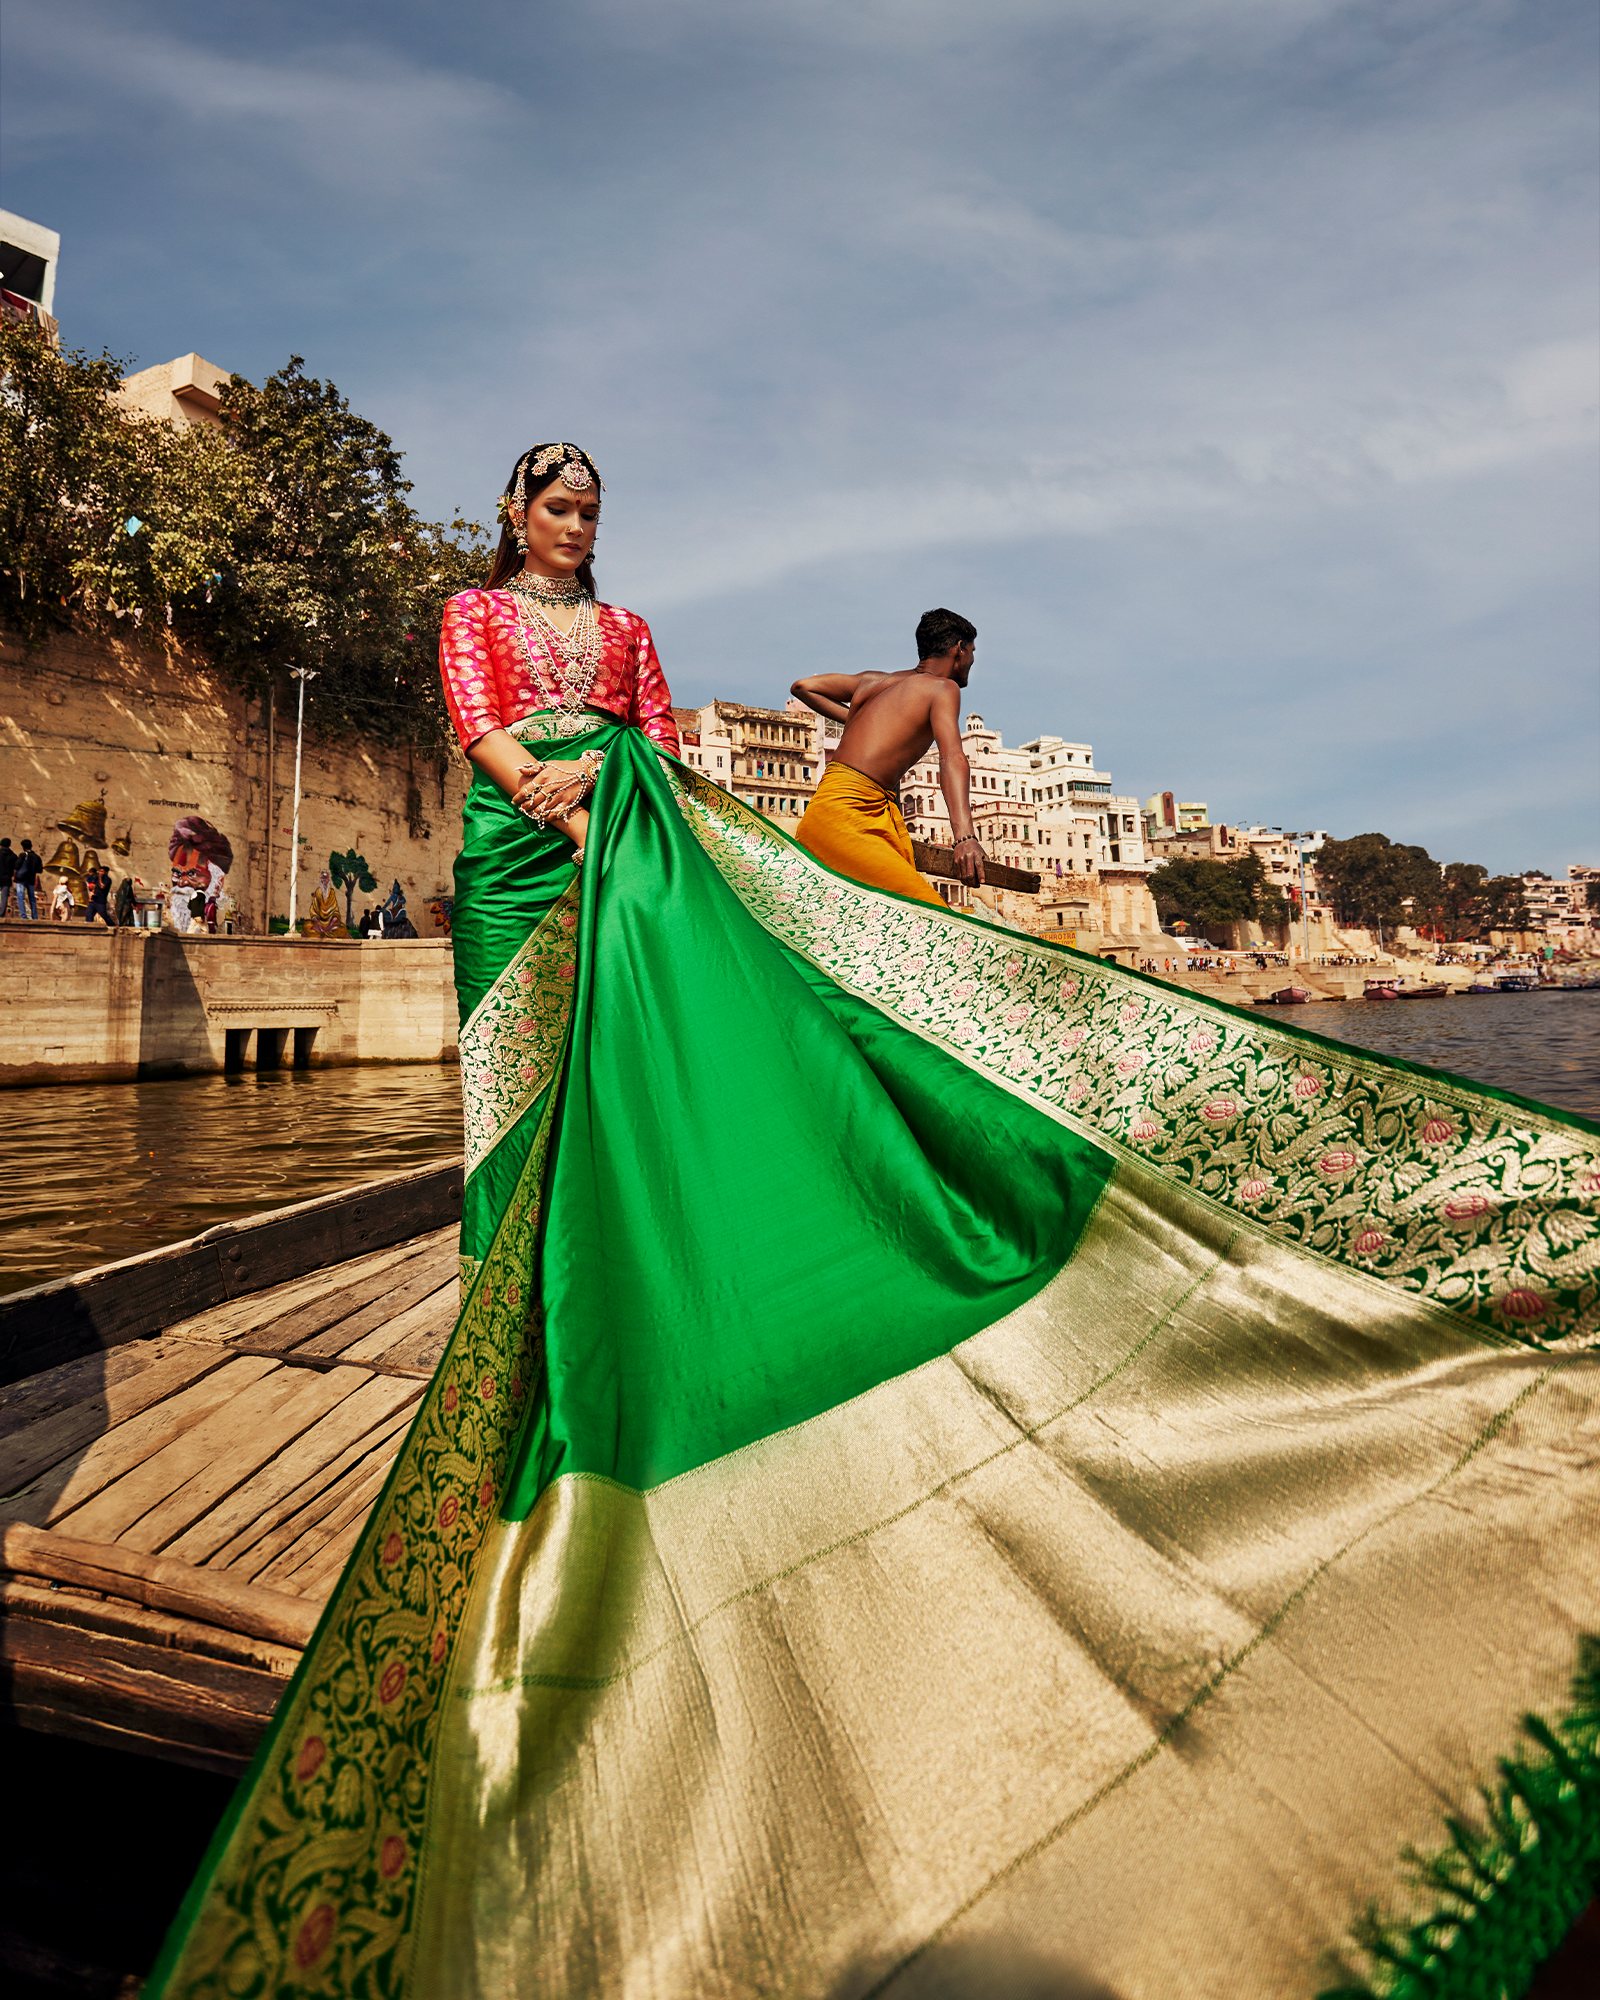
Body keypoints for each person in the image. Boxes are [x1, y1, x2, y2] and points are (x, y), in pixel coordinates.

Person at [148, 443, 1600, 2000]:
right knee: (513, 1057)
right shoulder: (473, 610)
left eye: (591, 510)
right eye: (555, 509)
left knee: (624, 1050)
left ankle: (606, 1247)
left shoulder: (631, 630)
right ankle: (506, 1260)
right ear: (515, 517)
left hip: (616, 837)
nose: (575, 529)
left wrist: (605, 793)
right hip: (520, 842)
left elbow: (649, 725)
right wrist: (542, 788)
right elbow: (472, 709)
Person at [790, 607, 985, 904]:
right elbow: (952, 758)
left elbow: (803, 687)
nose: (972, 659)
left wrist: (856, 720)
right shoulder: (943, 689)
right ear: (959, 650)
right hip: (849, 821)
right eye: (972, 650)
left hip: (823, 815)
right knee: (931, 917)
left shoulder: (874, 682)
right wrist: (965, 838)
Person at [10, 839, 41, 920]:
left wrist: (14, 876)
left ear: (23, 847)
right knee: (32, 899)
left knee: (21, 897)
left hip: (21, 880)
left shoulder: (22, 855)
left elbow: (16, 866)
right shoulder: (37, 857)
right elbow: (40, 870)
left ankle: (23, 916)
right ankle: (34, 916)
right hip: (31, 880)